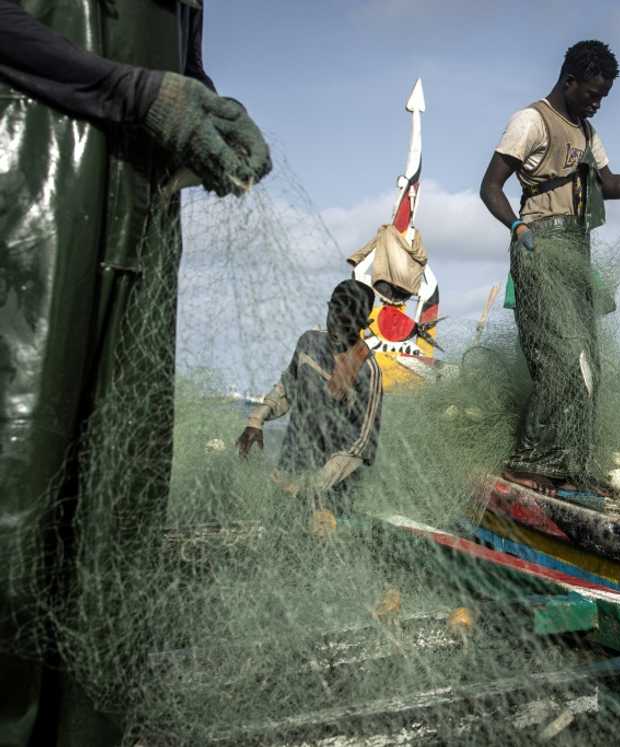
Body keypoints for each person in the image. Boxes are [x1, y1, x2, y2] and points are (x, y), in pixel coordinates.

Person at [0, 2, 270, 744]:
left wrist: (209, 114)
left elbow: (179, 68)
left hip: (145, 228)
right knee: (14, 525)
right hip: (28, 205)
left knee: (116, 541)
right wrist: (129, 91)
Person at [478, 39, 620, 496]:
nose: (597, 103)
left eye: (604, 96)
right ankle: (527, 463)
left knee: (588, 367)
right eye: (592, 94)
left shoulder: (586, 132)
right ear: (570, 80)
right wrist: (518, 228)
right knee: (557, 359)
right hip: (540, 246)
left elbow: (610, 184)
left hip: (576, 251)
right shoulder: (531, 121)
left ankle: (572, 465)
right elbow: (490, 188)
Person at [236, 280, 384, 517]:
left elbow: (362, 445)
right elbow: (288, 388)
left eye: (348, 321)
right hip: (290, 470)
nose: (338, 325)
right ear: (328, 307)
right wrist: (256, 419)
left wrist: (314, 486)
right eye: (335, 312)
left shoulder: (368, 371)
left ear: (365, 323)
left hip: (334, 491)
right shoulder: (309, 343)